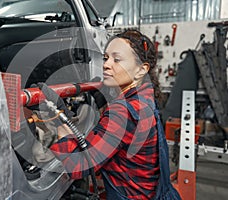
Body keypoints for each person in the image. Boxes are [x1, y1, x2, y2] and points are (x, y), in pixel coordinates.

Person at [37, 30, 181, 200]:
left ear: (142, 70)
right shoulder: (144, 97)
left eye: (117, 60)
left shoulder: (123, 112)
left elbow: (79, 166)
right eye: (106, 58)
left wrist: (59, 120)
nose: (106, 64)